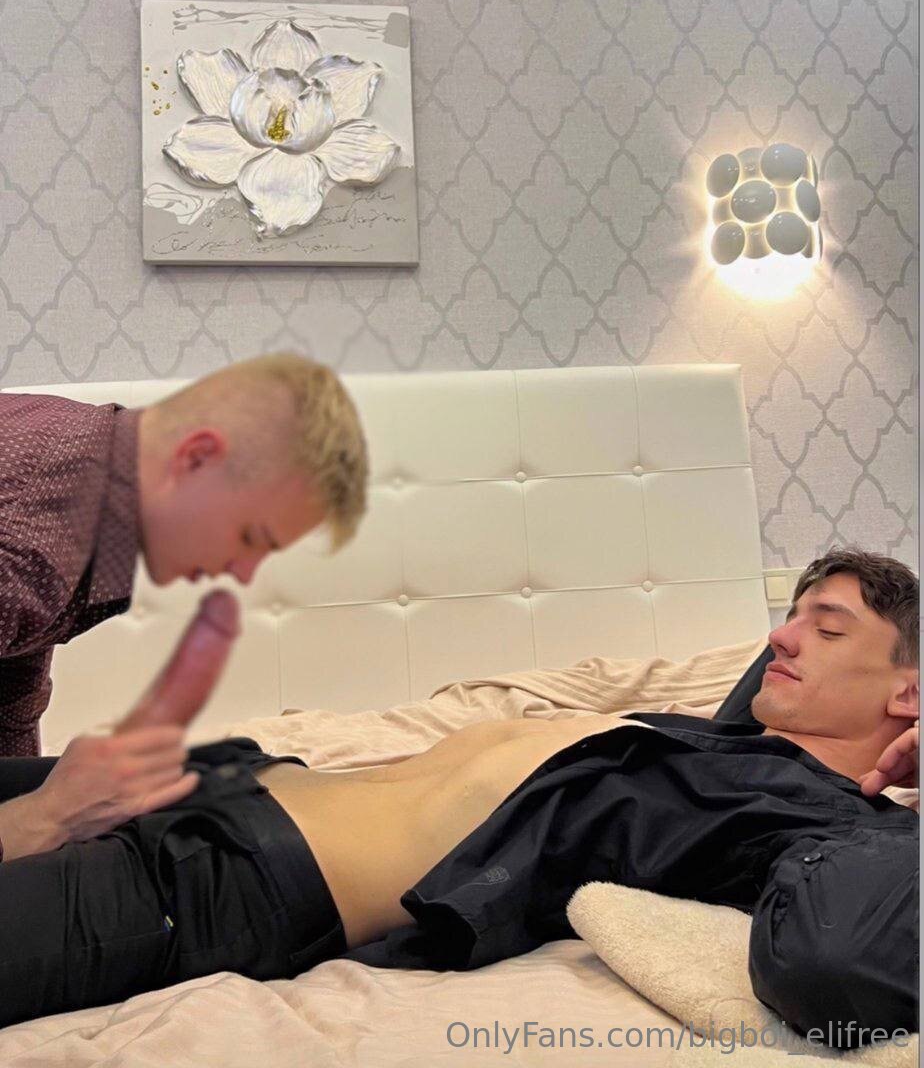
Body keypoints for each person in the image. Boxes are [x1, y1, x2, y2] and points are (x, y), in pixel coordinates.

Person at [0, 548, 917, 1045]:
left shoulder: (829, 824)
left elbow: (832, 963)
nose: (782, 639)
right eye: (787, 617)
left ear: (908, 695)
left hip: (218, 882)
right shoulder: (724, 741)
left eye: (826, 629)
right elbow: (763, 675)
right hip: (218, 782)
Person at [0, 353, 368, 847]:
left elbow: (12, 695)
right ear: (195, 458)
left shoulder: (82, 471)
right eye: (250, 537)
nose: (242, 573)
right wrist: (44, 818)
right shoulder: (31, 540)